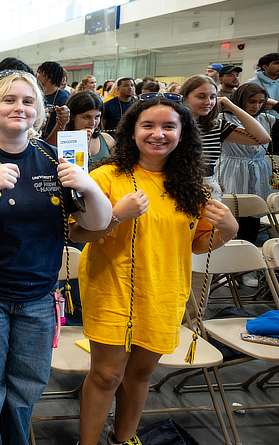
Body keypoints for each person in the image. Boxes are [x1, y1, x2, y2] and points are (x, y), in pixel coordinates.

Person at [0, 71, 111, 445]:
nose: (19, 107)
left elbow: (98, 222)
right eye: (9, 100)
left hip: (39, 297)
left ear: (39, 112)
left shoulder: (54, 160)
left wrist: (88, 184)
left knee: (25, 389)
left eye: (28, 101)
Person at [72, 95, 238, 445]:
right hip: (112, 288)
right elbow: (78, 234)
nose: (157, 134)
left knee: (141, 374)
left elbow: (197, 246)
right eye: (148, 125)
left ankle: (124, 439)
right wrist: (117, 215)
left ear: (182, 134)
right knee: (105, 375)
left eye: (168, 127)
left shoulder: (192, 187)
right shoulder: (106, 178)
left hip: (163, 291)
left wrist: (229, 231)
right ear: (132, 132)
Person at [179, 75, 271, 199]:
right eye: (201, 97)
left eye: (212, 97)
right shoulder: (171, 125)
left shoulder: (215, 126)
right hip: (177, 184)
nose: (208, 102)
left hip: (207, 187)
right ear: (184, 99)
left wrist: (233, 107)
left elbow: (263, 138)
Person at [219, 83, 277, 246]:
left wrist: (275, 104)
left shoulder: (266, 118)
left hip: (259, 169)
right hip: (233, 167)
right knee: (232, 212)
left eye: (261, 102)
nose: (256, 106)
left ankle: (249, 254)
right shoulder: (224, 118)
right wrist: (233, 107)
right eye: (252, 101)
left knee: (254, 213)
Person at [65, 90, 116, 169]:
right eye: (86, 117)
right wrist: (77, 140)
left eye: (97, 117)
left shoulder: (107, 139)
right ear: (72, 116)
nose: (93, 123)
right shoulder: (63, 141)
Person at [35, 61, 70, 140]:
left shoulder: (63, 97)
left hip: (55, 141)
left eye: (39, 72)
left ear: (49, 76)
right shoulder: (37, 95)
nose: (36, 75)